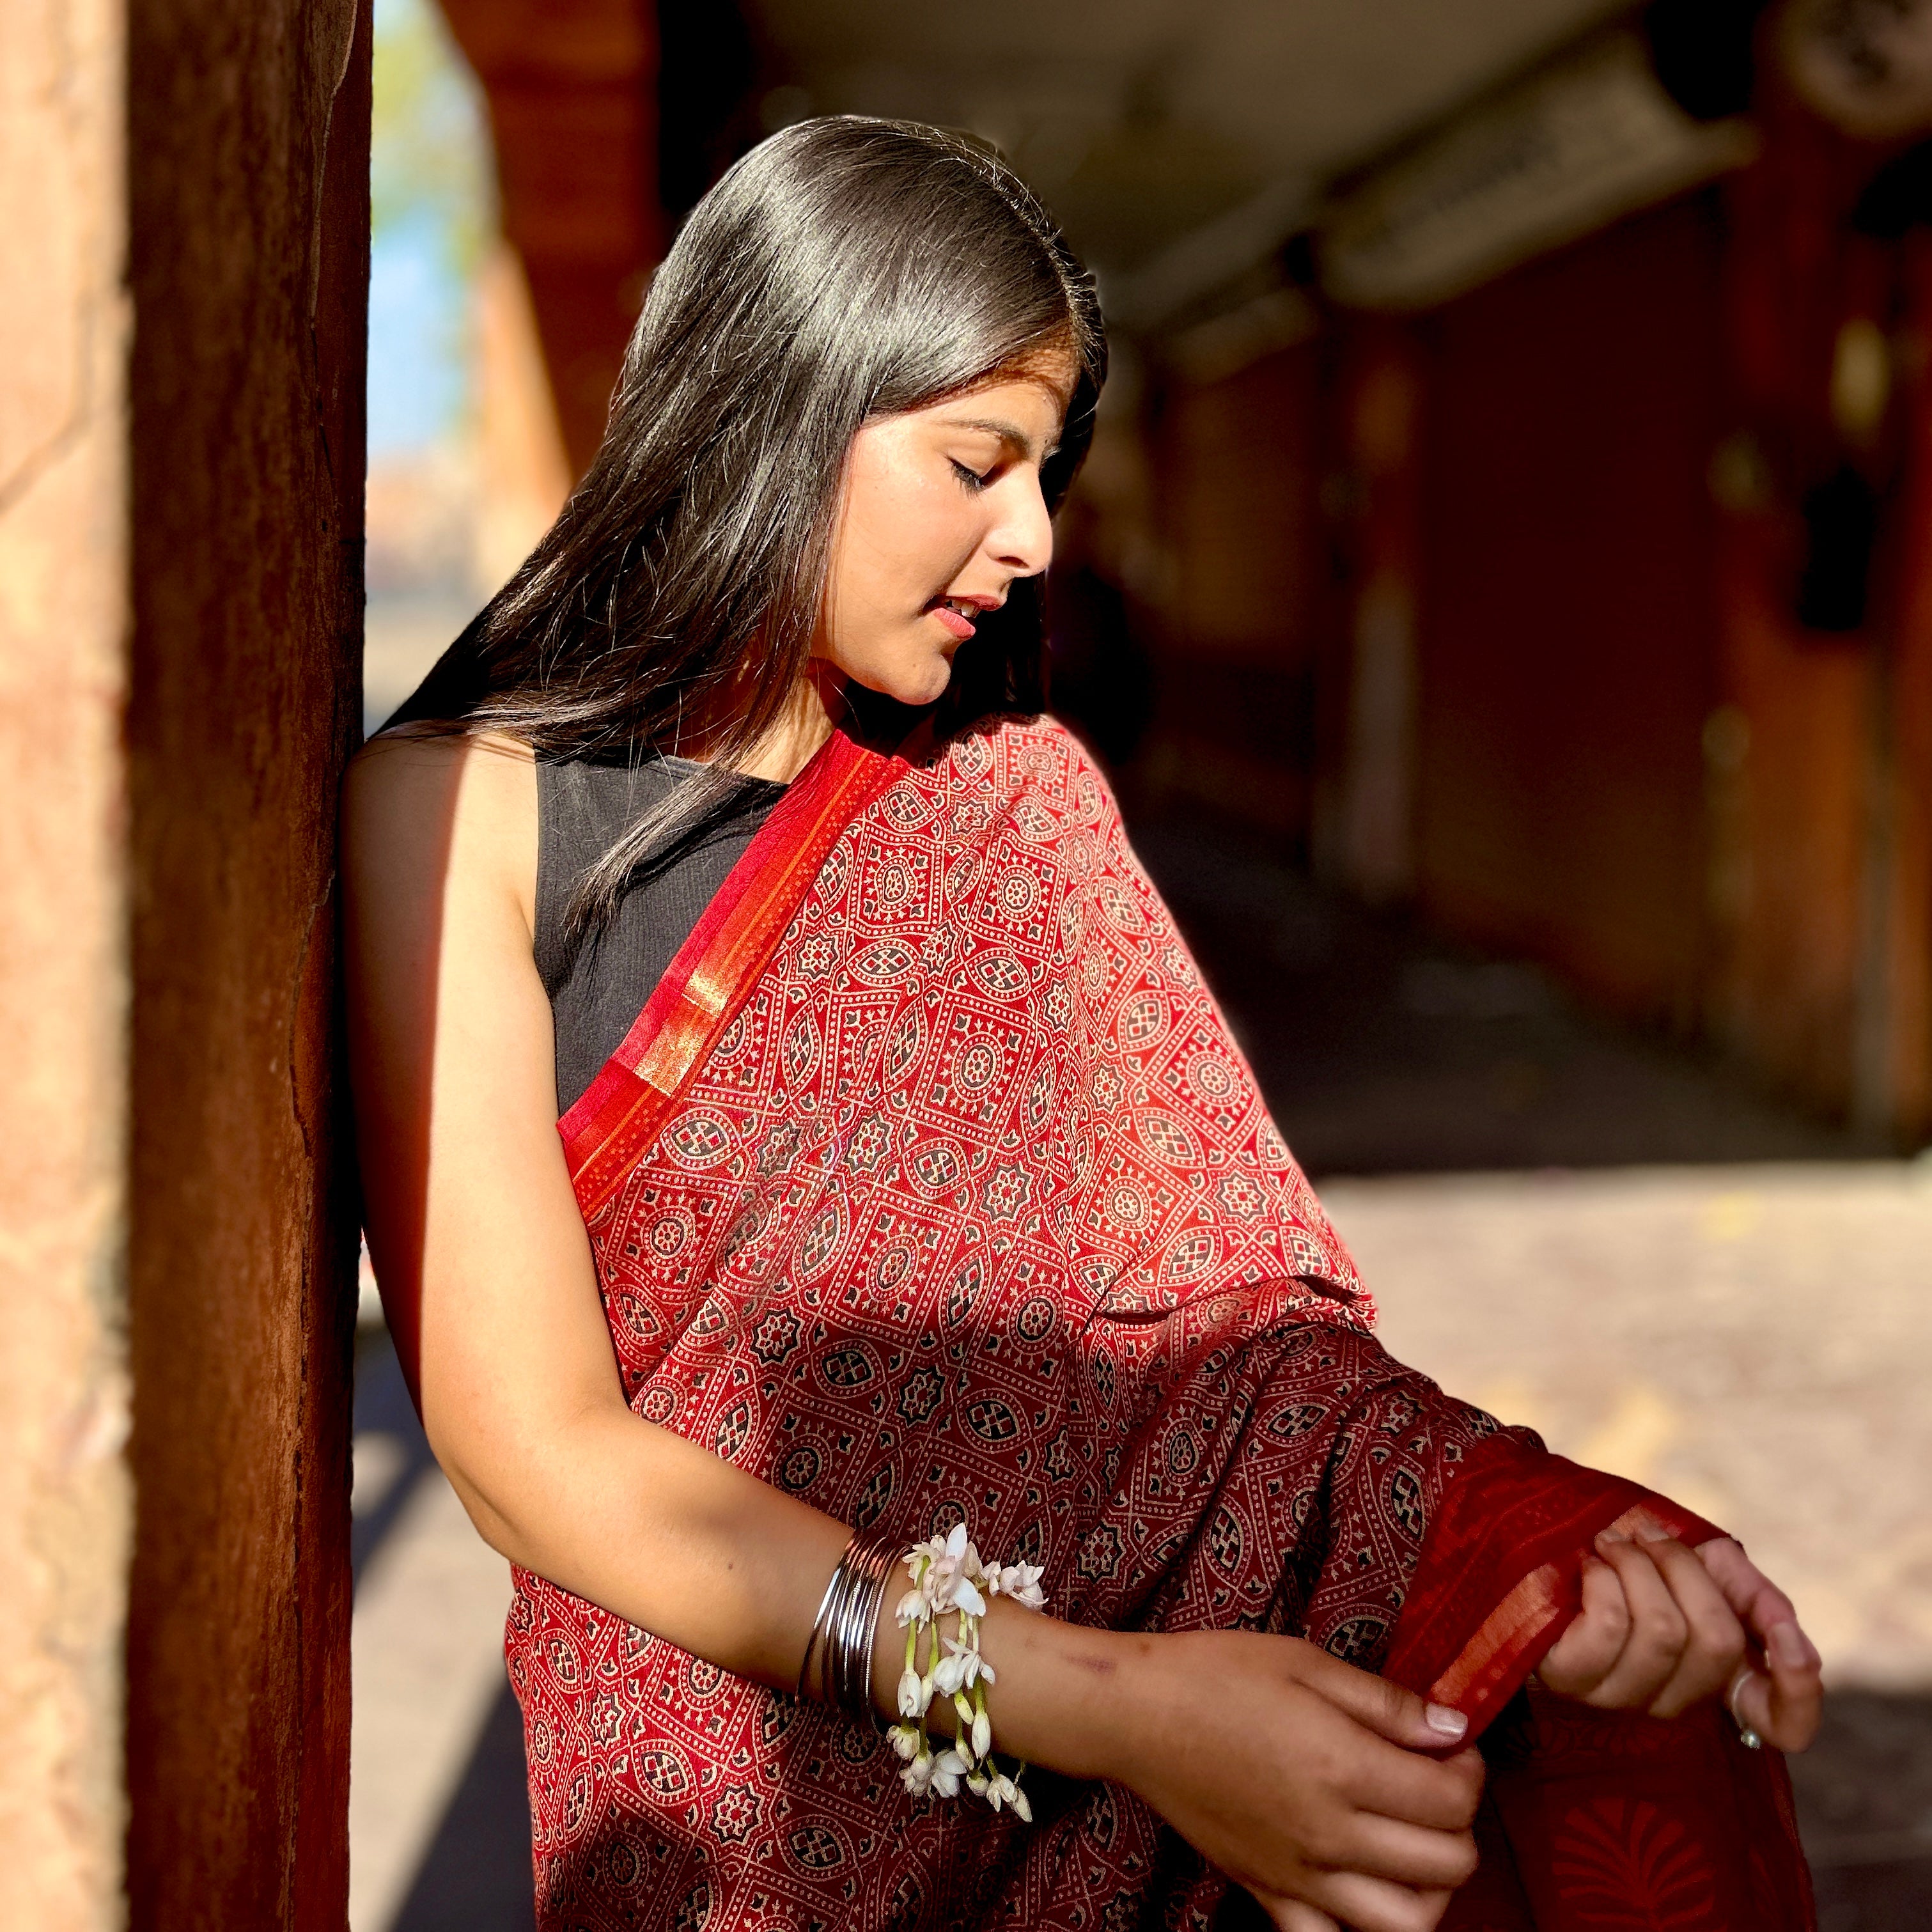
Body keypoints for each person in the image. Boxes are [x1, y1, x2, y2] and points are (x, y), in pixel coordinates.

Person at [343, 118, 1823, 1932]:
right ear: (782, 401)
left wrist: (1529, 1548)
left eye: (1046, 470)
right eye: (978, 460)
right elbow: (533, 1454)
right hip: (733, 1819)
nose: (1033, 537)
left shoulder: (1011, 799)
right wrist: (1119, 1710)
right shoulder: (460, 813)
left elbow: (1248, 1360)